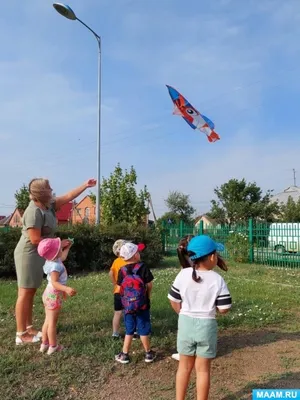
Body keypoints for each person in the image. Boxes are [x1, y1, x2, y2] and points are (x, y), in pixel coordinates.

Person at [14, 177, 96, 345]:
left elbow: (68, 196)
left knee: (32, 291)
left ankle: (29, 328)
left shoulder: (48, 205)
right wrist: (58, 243)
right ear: (41, 193)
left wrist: (85, 185)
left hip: (40, 254)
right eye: (49, 188)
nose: (52, 189)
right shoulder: (33, 212)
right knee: (25, 293)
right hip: (28, 254)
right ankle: (21, 334)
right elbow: (35, 239)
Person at [168, 235, 232, 400]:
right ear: (212, 257)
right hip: (207, 327)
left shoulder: (183, 274)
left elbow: (173, 299)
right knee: (203, 370)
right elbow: (224, 308)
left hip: (185, 324)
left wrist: (181, 313)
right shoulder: (218, 280)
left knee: (184, 367)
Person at [115, 242, 155, 364]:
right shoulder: (143, 267)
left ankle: (124, 354)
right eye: (137, 252)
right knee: (143, 329)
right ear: (135, 256)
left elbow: (119, 288)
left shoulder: (122, 271)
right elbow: (149, 284)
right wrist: (147, 296)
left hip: (128, 306)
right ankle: (148, 353)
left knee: (129, 330)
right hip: (142, 304)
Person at [37, 237, 76, 355]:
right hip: (53, 295)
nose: (61, 248)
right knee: (52, 323)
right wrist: (66, 289)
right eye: (59, 248)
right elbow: (55, 283)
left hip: (48, 294)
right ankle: (53, 346)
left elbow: (63, 257)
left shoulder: (51, 261)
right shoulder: (55, 267)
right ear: (55, 253)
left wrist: (67, 248)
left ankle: (44, 344)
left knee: (47, 321)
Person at [109, 240, 146, 339]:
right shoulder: (133, 262)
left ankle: (115, 333)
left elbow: (111, 273)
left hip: (118, 291)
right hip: (131, 293)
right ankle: (133, 332)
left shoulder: (116, 261)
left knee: (117, 312)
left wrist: (115, 284)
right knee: (132, 311)